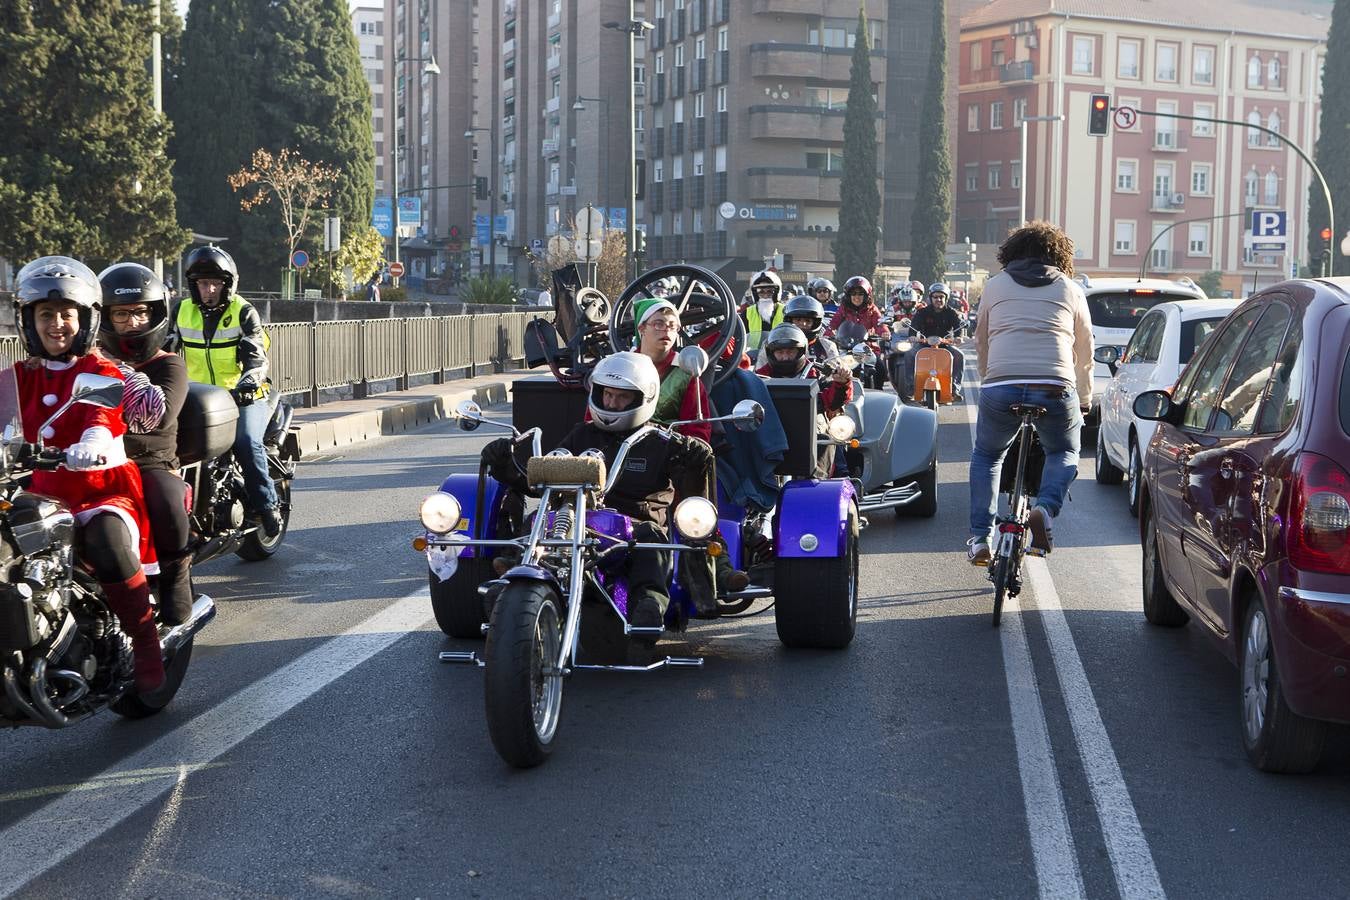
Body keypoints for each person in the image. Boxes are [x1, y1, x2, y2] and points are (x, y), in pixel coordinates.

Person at [12, 257, 165, 693]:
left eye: (66, 314)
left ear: (84, 320)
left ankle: (146, 643)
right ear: (29, 321)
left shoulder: (100, 370)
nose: (56, 323)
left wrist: (92, 444)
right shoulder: (18, 377)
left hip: (101, 490)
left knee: (106, 541)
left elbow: (101, 415)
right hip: (38, 492)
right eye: (45, 314)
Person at [483, 352, 717, 630]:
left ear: (644, 398)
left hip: (636, 526)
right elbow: (544, 482)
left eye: (622, 397)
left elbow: (693, 494)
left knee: (651, 541)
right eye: (607, 394)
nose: (612, 403)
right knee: (538, 522)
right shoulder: (582, 435)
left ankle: (649, 604)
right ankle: (514, 581)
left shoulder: (662, 441)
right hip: (581, 521)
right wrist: (506, 466)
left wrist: (695, 458)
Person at [967, 221, 1093, 565]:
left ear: (1012, 253)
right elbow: (1084, 348)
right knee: (1064, 450)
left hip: (1001, 384)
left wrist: (987, 376)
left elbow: (981, 338)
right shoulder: (1071, 288)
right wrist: (1083, 398)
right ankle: (1045, 510)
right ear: (1060, 255)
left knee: (988, 456)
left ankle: (980, 538)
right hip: (1054, 385)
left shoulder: (994, 286)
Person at [98, 263, 194, 627]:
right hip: (98, 462)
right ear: (105, 317)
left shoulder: (169, 365)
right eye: (121, 314)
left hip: (150, 462)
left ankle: (175, 574)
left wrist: (113, 368)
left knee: (165, 499)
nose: (132, 323)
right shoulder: (88, 363)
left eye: (140, 312)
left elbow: (159, 416)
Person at [176, 245, 282, 537]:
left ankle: (267, 505)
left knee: (247, 443)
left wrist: (248, 382)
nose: (208, 290)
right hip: (200, 399)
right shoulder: (182, 311)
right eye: (202, 283)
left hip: (244, 396)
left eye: (214, 283)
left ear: (227, 284)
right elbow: (165, 354)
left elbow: (257, 356)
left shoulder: (243, 312)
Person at [755, 324, 852, 478]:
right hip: (770, 435)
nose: (785, 357)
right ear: (771, 353)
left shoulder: (817, 375)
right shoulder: (758, 378)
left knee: (824, 441)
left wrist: (842, 382)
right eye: (780, 352)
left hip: (809, 434)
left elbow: (833, 402)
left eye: (790, 351)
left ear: (801, 352)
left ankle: (815, 486)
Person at [632, 297, 712, 444]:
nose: (666, 330)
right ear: (641, 328)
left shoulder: (687, 373)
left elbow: (697, 430)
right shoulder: (623, 366)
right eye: (658, 324)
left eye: (672, 325)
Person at [908, 282, 967, 399]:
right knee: (909, 354)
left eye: (941, 297)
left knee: (959, 355)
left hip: (944, 344)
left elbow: (958, 328)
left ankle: (954, 389)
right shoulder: (922, 312)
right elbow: (913, 327)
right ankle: (910, 388)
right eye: (935, 297)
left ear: (946, 298)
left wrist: (958, 337)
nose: (938, 299)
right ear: (931, 298)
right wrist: (912, 336)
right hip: (924, 344)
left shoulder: (952, 313)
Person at [757, 293, 837, 368]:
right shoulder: (772, 343)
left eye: (808, 321)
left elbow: (835, 377)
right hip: (778, 383)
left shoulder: (827, 346)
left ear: (815, 323)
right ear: (789, 320)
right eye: (798, 320)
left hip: (817, 383)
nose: (803, 324)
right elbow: (760, 374)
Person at [741, 269, 785, 355]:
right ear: (755, 293)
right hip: (753, 358)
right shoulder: (747, 313)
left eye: (770, 291)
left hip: (781, 356)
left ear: (777, 292)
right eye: (760, 291)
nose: (765, 296)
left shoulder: (786, 311)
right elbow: (739, 338)